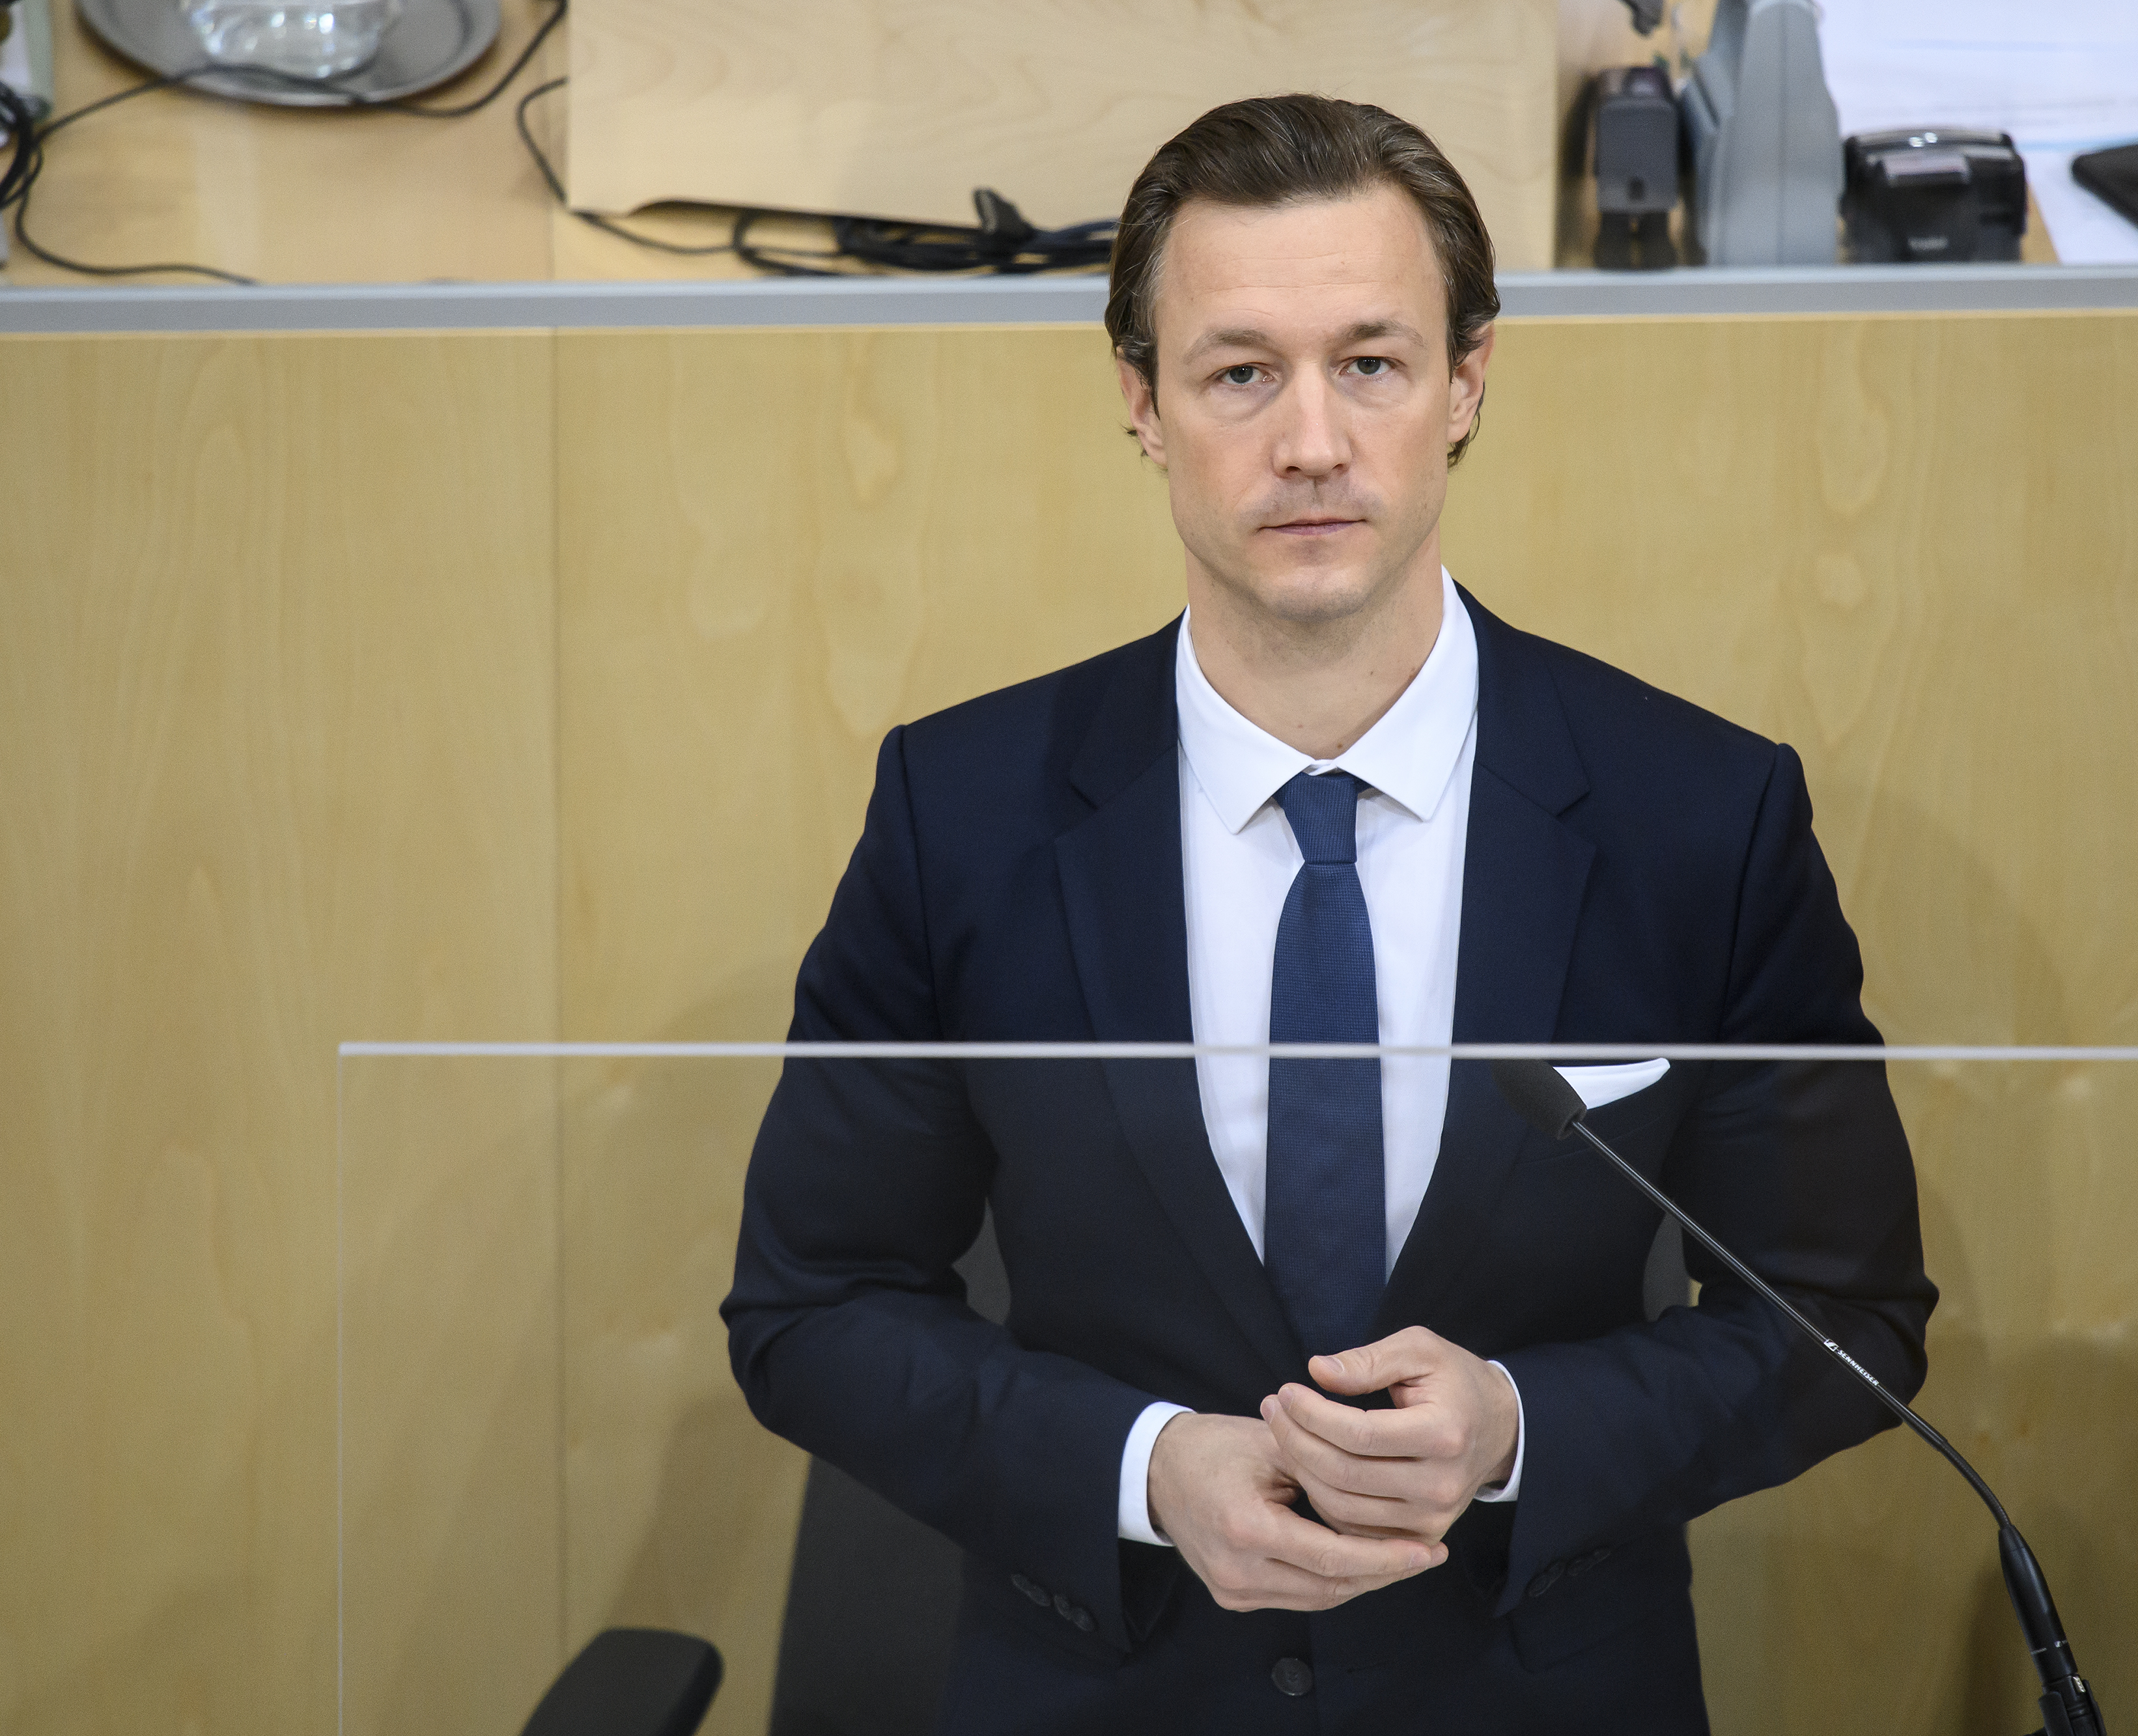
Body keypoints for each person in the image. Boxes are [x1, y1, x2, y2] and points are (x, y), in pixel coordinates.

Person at [724, 94, 1935, 1733]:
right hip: (1102, 1691)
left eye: (1369, 363)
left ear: (1467, 384)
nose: (1309, 442)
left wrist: (1518, 1426)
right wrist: (1148, 1468)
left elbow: (1844, 1316)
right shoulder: (966, 813)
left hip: (1535, 1693)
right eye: (1239, 373)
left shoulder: (1695, 815)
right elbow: (814, 1307)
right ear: (1142, 405)